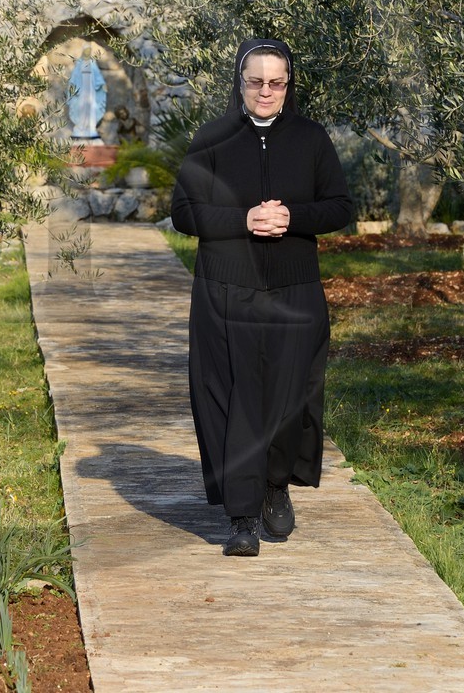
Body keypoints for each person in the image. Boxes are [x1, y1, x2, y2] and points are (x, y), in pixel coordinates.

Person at [169, 38, 354, 557]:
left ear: (289, 84)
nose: (266, 91)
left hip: (295, 287)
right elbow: (183, 212)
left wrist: (293, 216)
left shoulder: (311, 138)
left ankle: (276, 484)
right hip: (226, 288)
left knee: (292, 397)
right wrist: (243, 220)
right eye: (255, 82)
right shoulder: (212, 138)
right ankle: (242, 516)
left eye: (276, 82)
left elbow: (340, 207)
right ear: (239, 81)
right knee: (235, 398)